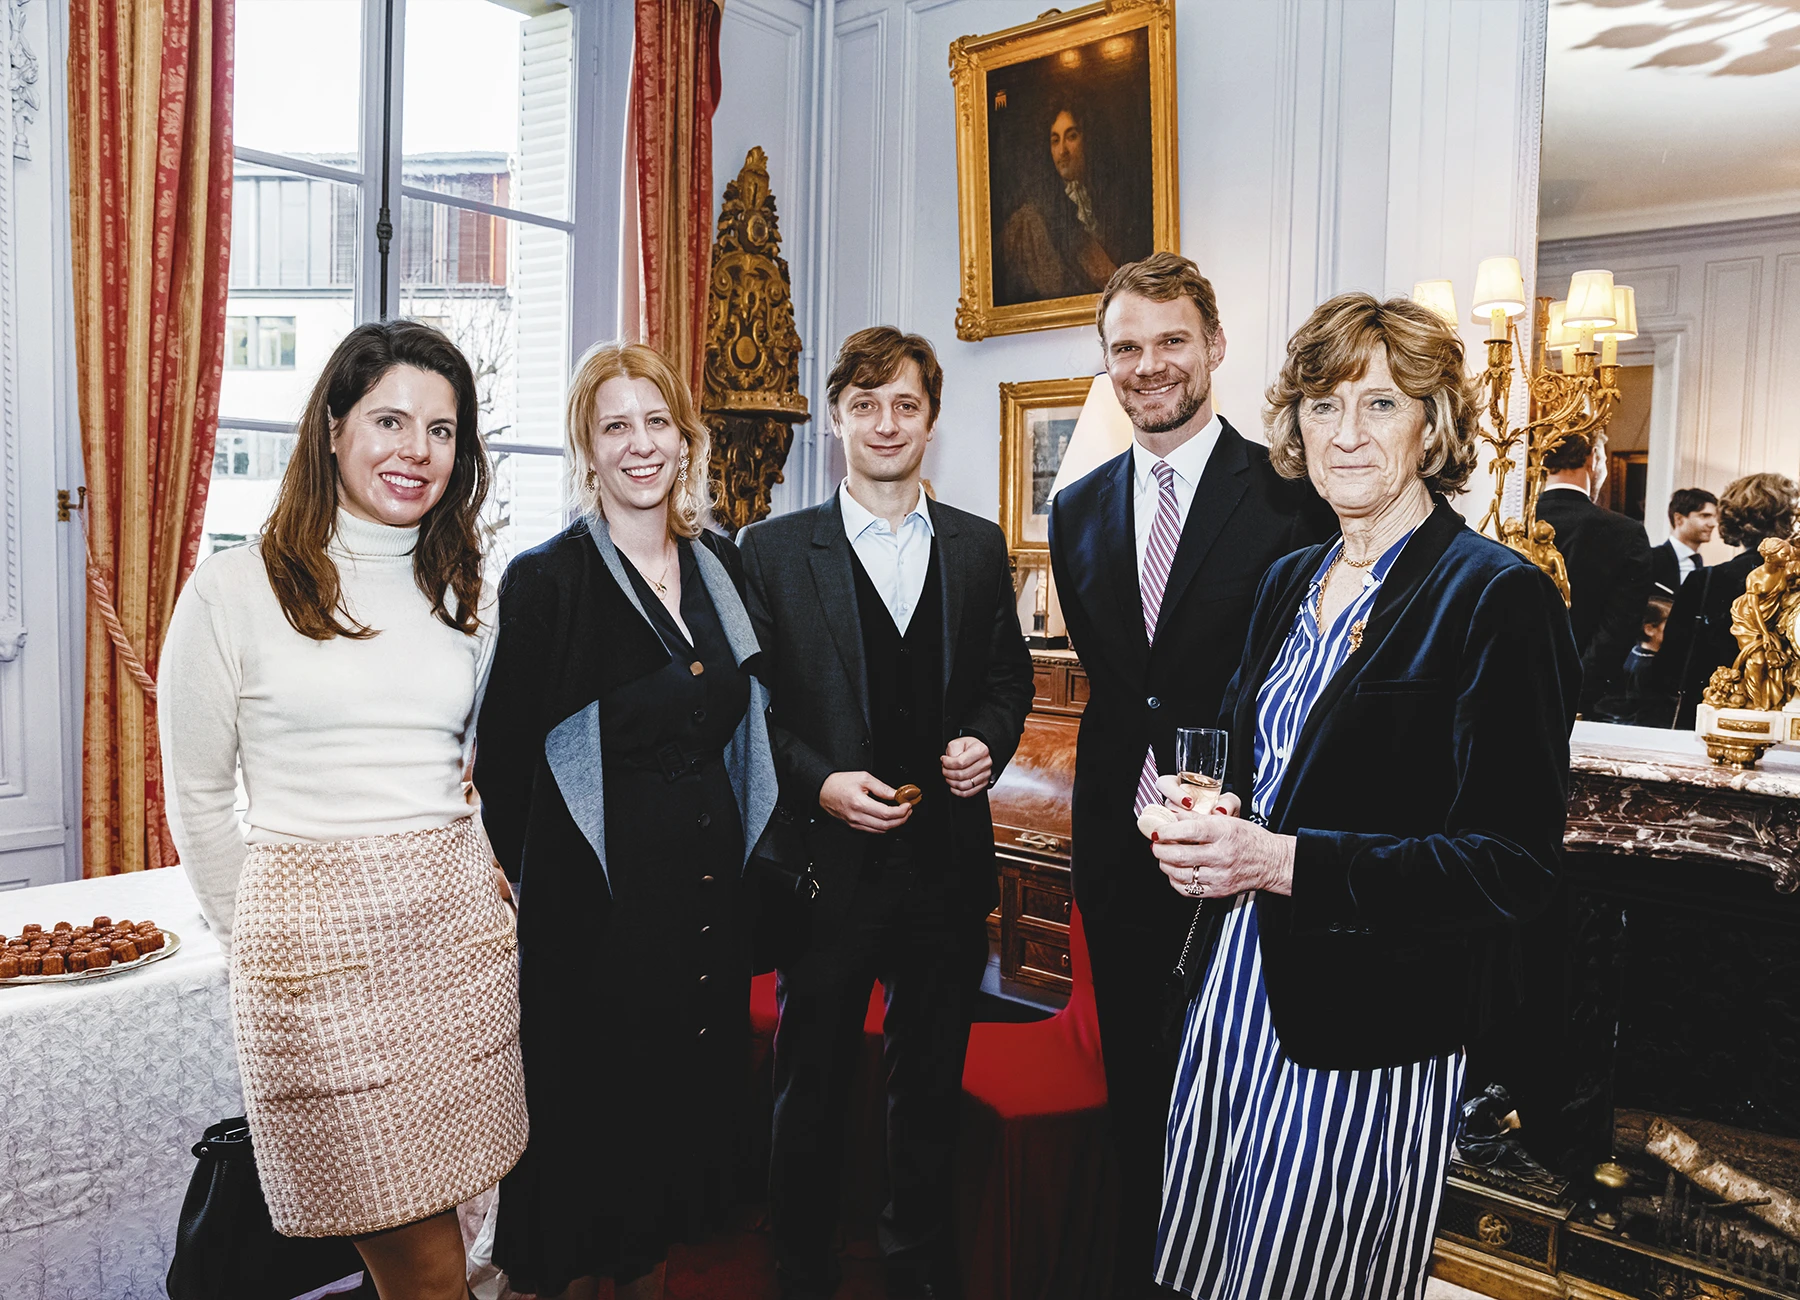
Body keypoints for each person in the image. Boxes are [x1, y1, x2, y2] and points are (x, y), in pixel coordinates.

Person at [1147, 293, 1579, 1300]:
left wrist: (1279, 859)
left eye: (1381, 405)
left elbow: (1513, 865)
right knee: (1214, 1272)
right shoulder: (1289, 578)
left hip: (1370, 1032)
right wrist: (1201, 816)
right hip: (1239, 991)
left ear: (1432, 426)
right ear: (1292, 425)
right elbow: (1266, 776)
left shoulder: (1496, 597)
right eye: (1322, 404)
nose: (1345, 434)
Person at [160, 321, 525, 1300]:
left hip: (457, 954)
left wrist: (492, 877)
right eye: (391, 419)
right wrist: (262, 944)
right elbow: (196, 795)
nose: (418, 450)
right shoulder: (234, 590)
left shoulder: (467, 591)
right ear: (331, 428)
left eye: (443, 430)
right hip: (314, 973)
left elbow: (466, 767)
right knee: (427, 1268)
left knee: (449, 1228)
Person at [1046, 252, 1335, 1296]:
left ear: (1214, 346)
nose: (1149, 365)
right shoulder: (1074, 512)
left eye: (1171, 340)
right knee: (1138, 1100)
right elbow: (1127, 691)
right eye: (1126, 347)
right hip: (1122, 858)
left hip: (1249, 855)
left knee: (1237, 1107)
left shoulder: (1292, 495)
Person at [475, 343, 777, 1300]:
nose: (640, 444)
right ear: (587, 450)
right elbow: (507, 769)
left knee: (670, 1177)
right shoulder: (546, 582)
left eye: (657, 422)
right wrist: (552, 894)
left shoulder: (723, 566)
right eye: (616, 426)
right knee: (588, 1168)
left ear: (685, 441)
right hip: (594, 926)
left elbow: (756, 720)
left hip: (703, 914)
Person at [740, 326, 1034, 1300]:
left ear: (931, 421)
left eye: (905, 404)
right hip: (822, 874)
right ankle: (802, 1276)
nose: (885, 422)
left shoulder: (977, 547)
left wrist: (987, 741)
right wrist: (818, 781)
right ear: (835, 420)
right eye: (865, 404)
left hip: (945, 874)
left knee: (927, 1097)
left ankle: (917, 1277)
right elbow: (750, 711)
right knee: (810, 1091)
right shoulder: (774, 551)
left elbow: (1007, 679)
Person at [1654, 472, 1799, 728]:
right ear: (1787, 519)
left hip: (1714, 717)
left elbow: (1669, 666)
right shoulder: (1793, 577)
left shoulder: (1706, 581)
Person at [1534, 431, 1653, 714]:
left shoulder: (1510, 520)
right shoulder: (1625, 532)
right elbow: (1619, 626)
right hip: (1585, 699)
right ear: (1593, 458)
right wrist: (1577, 690)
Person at [999, 101, 1149, 305]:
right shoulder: (1032, 220)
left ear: (1088, 140)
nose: (1062, 151)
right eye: (1055, 141)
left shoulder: (1116, 203)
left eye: (1071, 137)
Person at [1651, 487, 1718, 595]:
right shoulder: (1652, 558)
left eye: (1714, 517)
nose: (1713, 524)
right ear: (1679, 519)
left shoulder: (1698, 562)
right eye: (1704, 516)